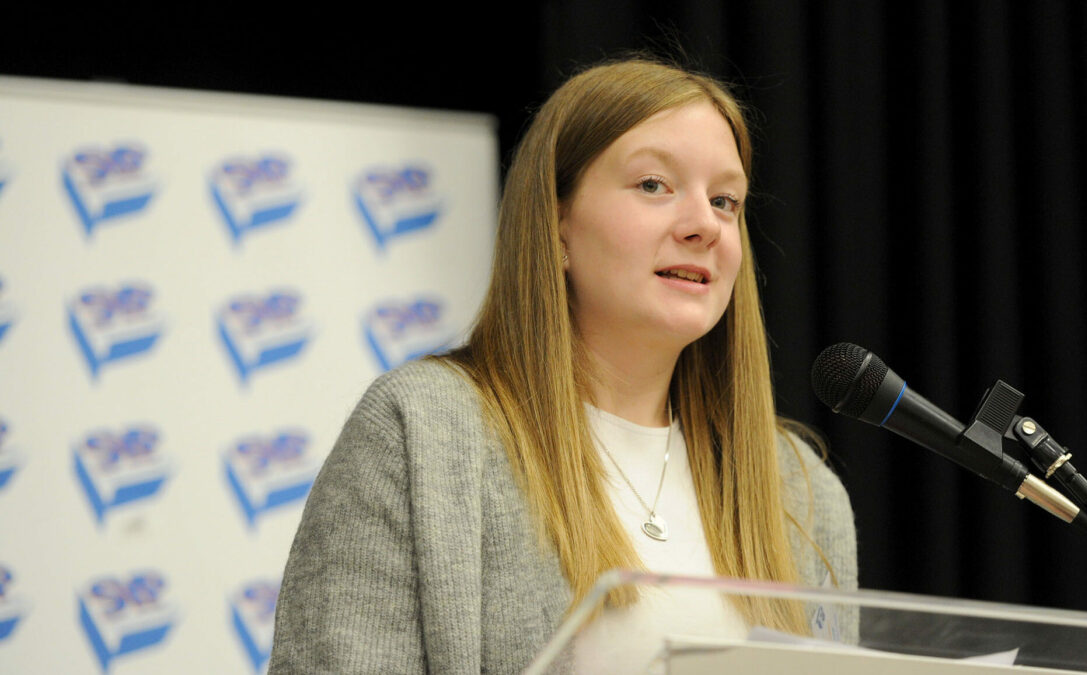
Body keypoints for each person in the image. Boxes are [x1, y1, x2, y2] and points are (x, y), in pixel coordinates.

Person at [268, 57, 857, 674]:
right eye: (654, 185)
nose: (704, 225)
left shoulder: (802, 491)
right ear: (556, 224)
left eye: (725, 200)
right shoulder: (422, 433)